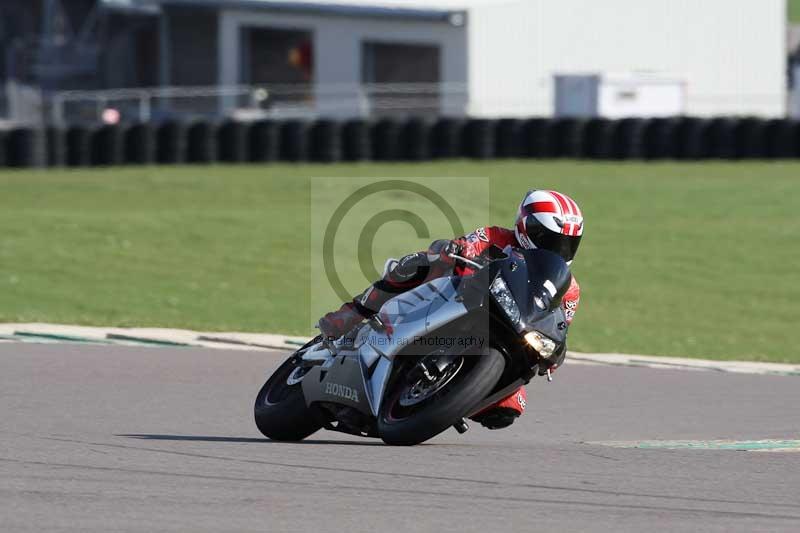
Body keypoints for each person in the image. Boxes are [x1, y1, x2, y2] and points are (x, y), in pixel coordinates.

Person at [318, 190, 583, 429]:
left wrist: (553, 354)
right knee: (417, 263)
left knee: (509, 409)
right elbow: (464, 247)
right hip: (454, 301)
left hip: (507, 332)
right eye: (551, 239)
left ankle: (442, 399)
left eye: (567, 243)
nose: (559, 249)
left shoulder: (568, 288)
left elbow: (560, 324)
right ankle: (355, 313)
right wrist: (455, 251)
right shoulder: (496, 237)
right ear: (527, 228)